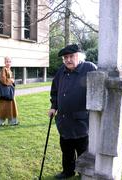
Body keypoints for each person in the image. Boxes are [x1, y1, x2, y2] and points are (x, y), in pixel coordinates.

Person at [48, 44, 97, 179]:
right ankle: (68, 171)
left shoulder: (89, 68)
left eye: (71, 56)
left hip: (81, 120)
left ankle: (84, 173)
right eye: (65, 58)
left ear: (79, 56)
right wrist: (54, 106)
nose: (68, 60)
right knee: (66, 149)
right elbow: (55, 91)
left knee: (82, 149)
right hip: (64, 120)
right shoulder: (61, 71)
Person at [0, 56, 19, 126]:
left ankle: (12, 121)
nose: (8, 63)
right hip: (5, 92)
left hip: (9, 92)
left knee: (11, 106)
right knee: (3, 108)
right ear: (4, 62)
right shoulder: (4, 69)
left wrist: (12, 81)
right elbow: (3, 80)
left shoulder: (9, 70)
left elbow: (9, 79)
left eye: (9, 61)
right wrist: (11, 80)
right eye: (7, 61)